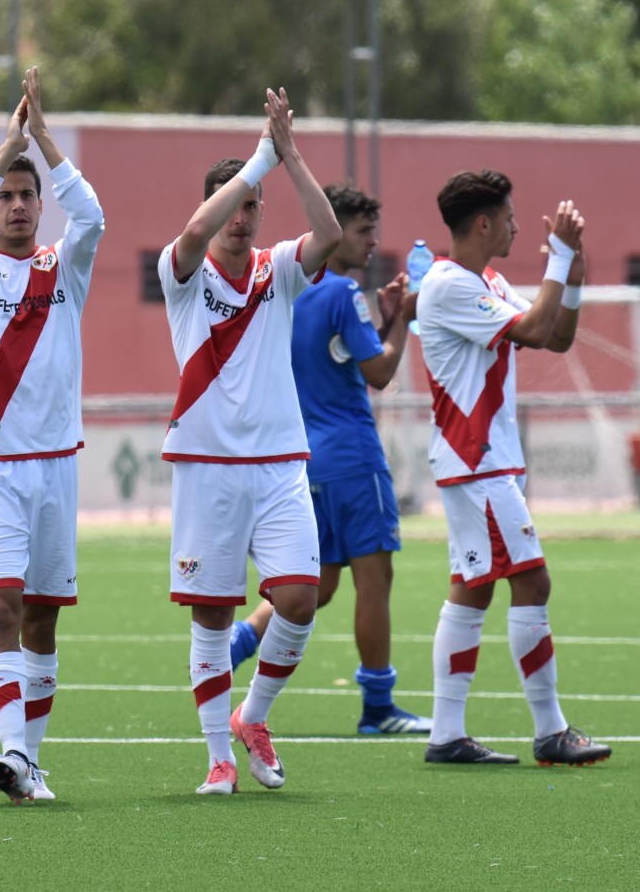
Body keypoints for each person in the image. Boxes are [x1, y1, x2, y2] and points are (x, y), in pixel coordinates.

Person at [157, 89, 341, 795]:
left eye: (251, 207)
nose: (240, 218)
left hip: (278, 465)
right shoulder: (184, 274)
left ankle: (252, 718)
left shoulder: (278, 270)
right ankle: (217, 759)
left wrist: (288, 157)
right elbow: (193, 232)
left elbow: (325, 235)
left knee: (300, 596)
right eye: (231, 205)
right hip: (206, 467)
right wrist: (256, 161)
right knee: (212, 613)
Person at [0, 67, 102, 804]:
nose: (16, 205)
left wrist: (44, 142)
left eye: (27, 195)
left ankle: (28, 764)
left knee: (41, 618)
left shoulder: (65, 266)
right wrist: (4, 152)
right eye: (6, 196)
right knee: (0, 605)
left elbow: (92, 217)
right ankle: (8, 749)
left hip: (56, 468)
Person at [415, 171, 611, 767]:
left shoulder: (486, 281)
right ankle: (551, 730)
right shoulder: (447, 284)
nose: (517, 227)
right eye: (509, 217)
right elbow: (529, 328)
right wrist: (559, 258)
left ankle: (446, 734)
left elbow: (554, 337)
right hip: (478, 461)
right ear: (483, 224)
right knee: (533, 581)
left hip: (481, 461)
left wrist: (570, 279)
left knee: (472, 590)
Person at [227, 185, 431, 735]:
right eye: (363, 231)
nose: (372, 243)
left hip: (303, 458)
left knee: (319, 584)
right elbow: (379, 374)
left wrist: (384, 322)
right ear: (335, 231)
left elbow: (345, 357)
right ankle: (378, 707)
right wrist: (404, 318)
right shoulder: (344, 292)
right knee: (375, 578)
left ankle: (234, 645)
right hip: (352, 458)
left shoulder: (285, 287)